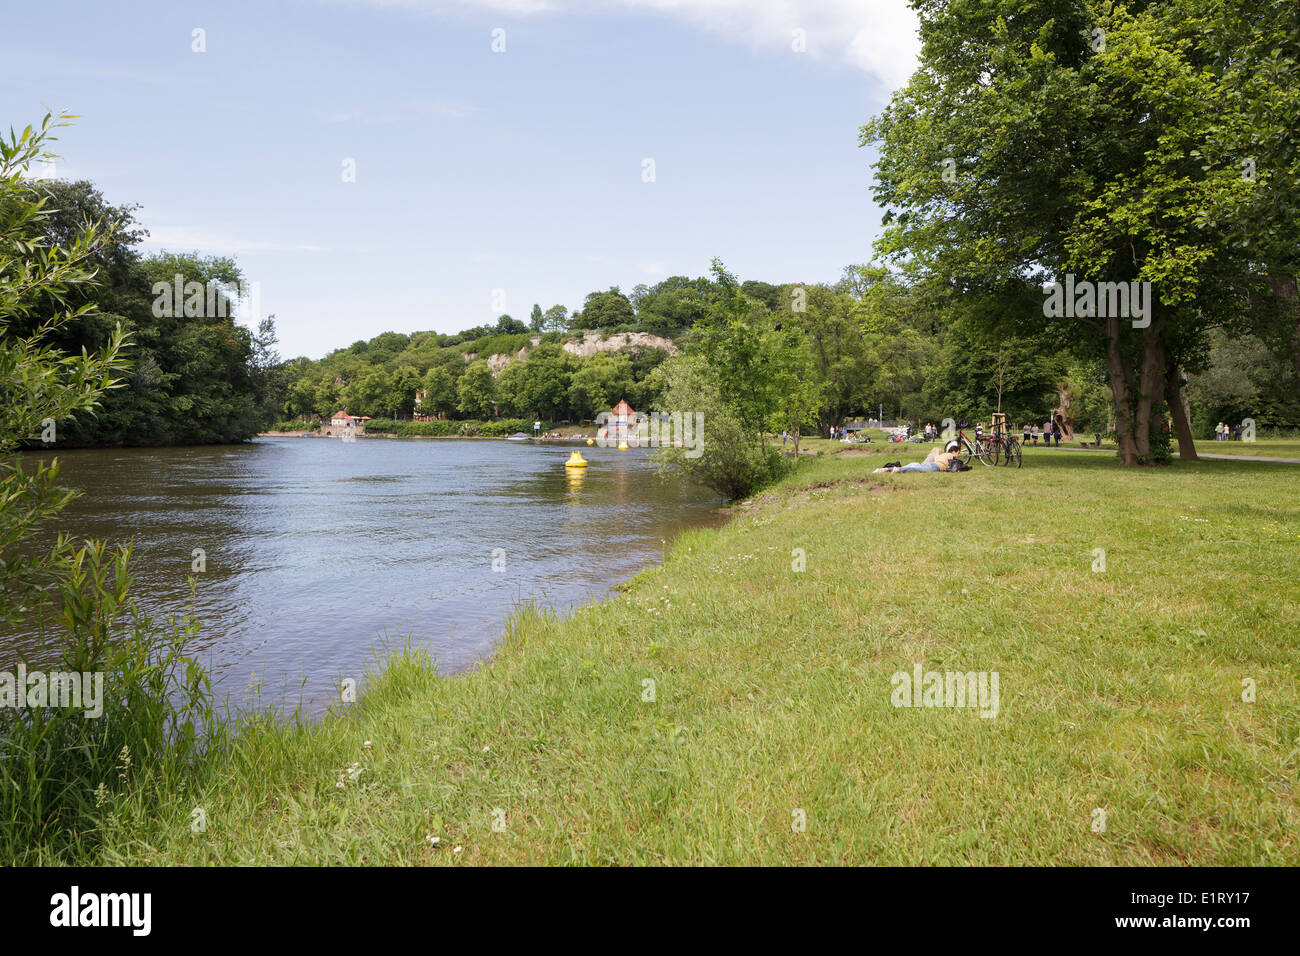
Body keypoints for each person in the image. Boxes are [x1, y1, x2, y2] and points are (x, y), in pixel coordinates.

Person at [874, 440, 963, 473]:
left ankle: (884, 469)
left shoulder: (944, 454)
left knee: (914, 466)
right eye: (958, 453)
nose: (958, 455)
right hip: (935, 467)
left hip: (932, 464)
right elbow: (958, 467)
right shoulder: (951, 456)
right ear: (954, 451)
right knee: (915, 469)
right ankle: (891, 469)